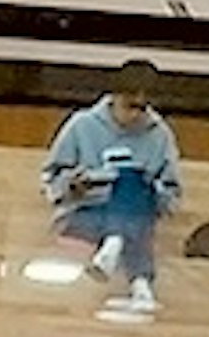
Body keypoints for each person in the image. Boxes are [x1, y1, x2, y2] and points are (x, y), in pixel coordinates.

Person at [44, 72, 182, 318]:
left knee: (132, 182)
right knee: (131, 214)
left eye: (142, 107)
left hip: (138, 213)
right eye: (130, 106)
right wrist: (77, 183)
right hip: (86, 213)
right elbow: (51, 178)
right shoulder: (82, 124)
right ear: (115, 98)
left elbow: (172, 192)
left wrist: (151, 191)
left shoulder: (160, 134)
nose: (135, 114)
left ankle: (114, 243)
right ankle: (140, 283)